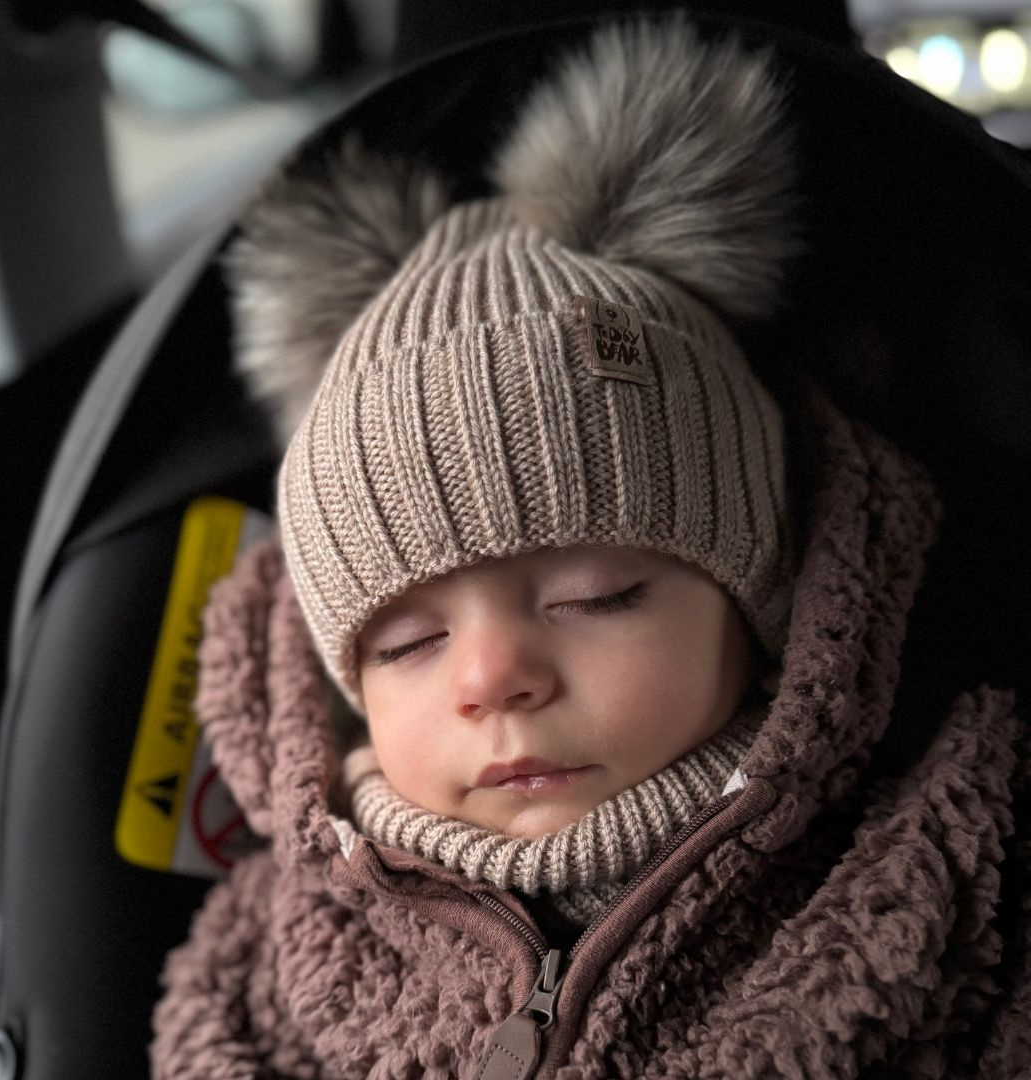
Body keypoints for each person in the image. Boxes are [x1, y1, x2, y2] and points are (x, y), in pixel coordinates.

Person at [150, 15, 1028, 1079]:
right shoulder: (287, 949)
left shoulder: (942, 856)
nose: (491, 677)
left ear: (767, 597)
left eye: (597, 595)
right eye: (407, 644)